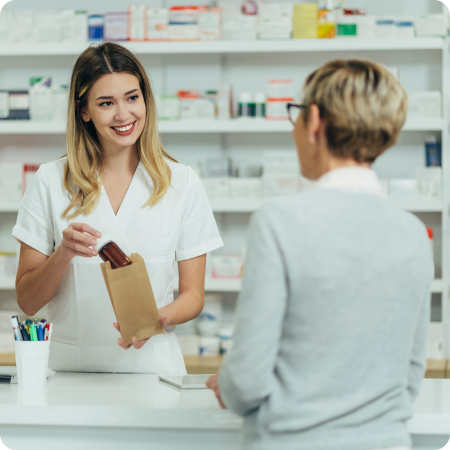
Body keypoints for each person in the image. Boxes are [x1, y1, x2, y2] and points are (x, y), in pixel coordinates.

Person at [207, 60, 433, 450]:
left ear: (313, 122)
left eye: (295, 115)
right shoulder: (413, 232)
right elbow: (411, 375)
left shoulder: (279, 221)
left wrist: (229, 385)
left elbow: (245, 383)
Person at [13, 42, 223, 373]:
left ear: (145, 101)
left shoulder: (182, 182)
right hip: (72, 373)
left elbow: (193, 295)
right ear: (84, 111)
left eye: (132, 98)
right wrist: (63, 254)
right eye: (106, 103)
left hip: (153, 369)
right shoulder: (51, 180)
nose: (123, 115)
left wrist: (159, 318)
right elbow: (27, 302)